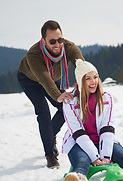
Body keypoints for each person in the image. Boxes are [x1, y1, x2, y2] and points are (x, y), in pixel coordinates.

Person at [18, 20, 84, 169]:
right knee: (43, 112)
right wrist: (57, 95)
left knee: (66, 107)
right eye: (52, 41)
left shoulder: (69, 48)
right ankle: (50, 155)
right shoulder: (33, 54)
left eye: (59, 39)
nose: (57, 44)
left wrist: (86, 84)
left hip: (53, 78)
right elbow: (43, 78)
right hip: (30, 80)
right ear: (44, 41)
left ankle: (50, 134)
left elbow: (82, 67)